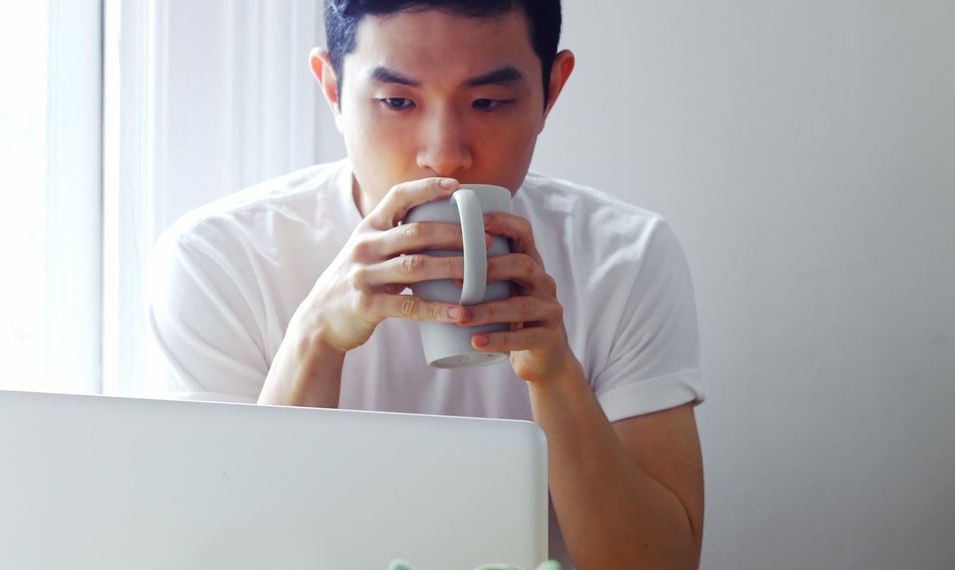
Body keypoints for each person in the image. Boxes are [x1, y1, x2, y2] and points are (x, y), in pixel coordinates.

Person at [149, 1, 705, 568]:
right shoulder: (219, 260)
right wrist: (315, 338)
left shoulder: (625, 258)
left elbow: (661, 562)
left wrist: (556, 372)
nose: (444, 154)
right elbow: (231, 553)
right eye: (396, 102)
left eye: (487, 102)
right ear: (333, 90)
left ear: (551, 91)